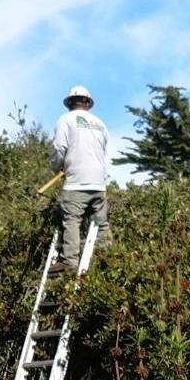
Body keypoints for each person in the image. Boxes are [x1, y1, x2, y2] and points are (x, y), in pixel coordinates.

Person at [48, 85, 109, 274]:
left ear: (70, 103)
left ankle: (69, 261)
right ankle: (107, 257)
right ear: (87, 103)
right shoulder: (100, 124)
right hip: (99, 182)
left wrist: (57, 166)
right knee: (101, 223)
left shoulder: (65, 120)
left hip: (77, 181)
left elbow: (59, 148)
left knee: (71, 219)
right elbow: (102, 149)